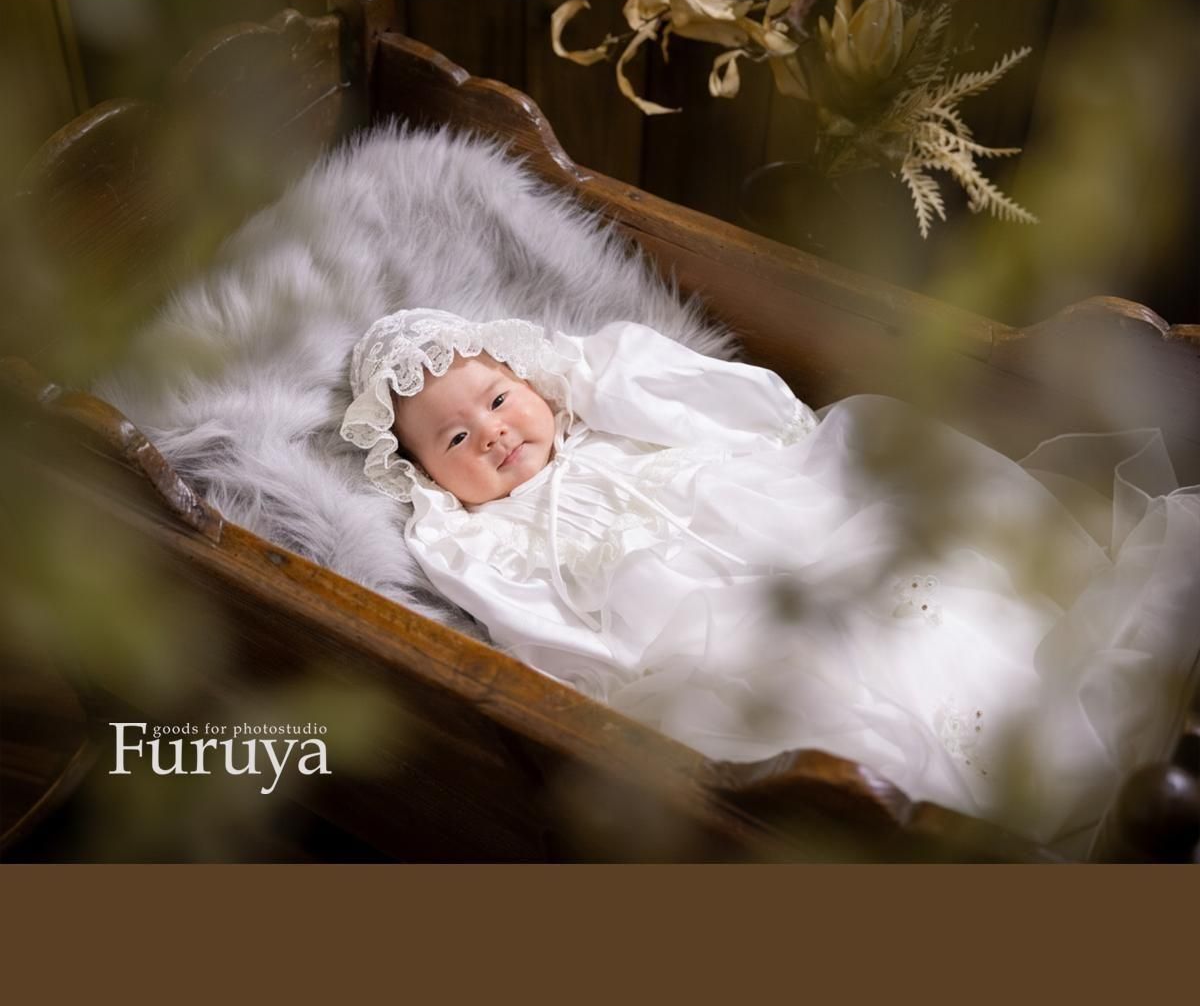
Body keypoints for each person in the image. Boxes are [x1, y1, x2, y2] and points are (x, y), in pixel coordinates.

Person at [340, 307, 1200, 855]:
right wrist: (605, 677)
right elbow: (531, 624)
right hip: (707, 624)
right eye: (454, 441)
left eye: (497, 399)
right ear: (423, 476)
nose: (491, 433)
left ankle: (1045, 721)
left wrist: (585, 373)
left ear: (530, 376)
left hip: (795, 525)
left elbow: (728, 404)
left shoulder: (606, 409)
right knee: (827, 681)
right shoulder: (482, 534)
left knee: (927, 592)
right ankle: (972, 801)